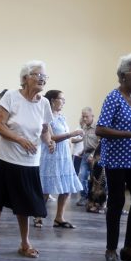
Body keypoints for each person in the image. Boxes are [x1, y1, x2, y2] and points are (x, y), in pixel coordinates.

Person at [0, 60, 54, 259]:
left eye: (44, 76)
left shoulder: (45, 103)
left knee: (25, 204)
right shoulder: (11, 96)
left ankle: (25, 243)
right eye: (38, 75)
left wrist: (49, 141)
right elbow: (0, 126)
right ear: (25, 78)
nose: (42, 79)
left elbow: (45, 129)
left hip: (29, 162)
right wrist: (20, 140)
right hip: (5, 158)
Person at [95, 53, 131, 261]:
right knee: (116, 203)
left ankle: (129, 248)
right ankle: (111, 249)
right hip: (115, 160)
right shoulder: (113, 98)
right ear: (123, 76)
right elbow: (99, 129)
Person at [33, 90, 83, 229]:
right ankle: (38, 215)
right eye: (61, 99)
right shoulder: (46, 117)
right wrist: (71, 133)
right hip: (50, 155)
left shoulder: (61, 117)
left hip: (64, 155)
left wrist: (74, 139)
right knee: (45, 187)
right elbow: (51, 137)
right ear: (53, 100)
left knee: (66, 187)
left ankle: (59, 217)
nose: (64, 102)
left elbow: (63, 137)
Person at [76, 107, 99, 206]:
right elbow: (87, 142)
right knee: (82, 176)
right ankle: (83, 197)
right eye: (83, 116)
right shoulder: (84, 127)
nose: (84, 119)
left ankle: (96, 200)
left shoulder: (98, 128)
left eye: (87, 117)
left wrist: (92, 155)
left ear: (92, 116)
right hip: (85, 155)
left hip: (96, 156)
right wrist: (82, 151)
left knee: (96, 178)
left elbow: (100, 143)